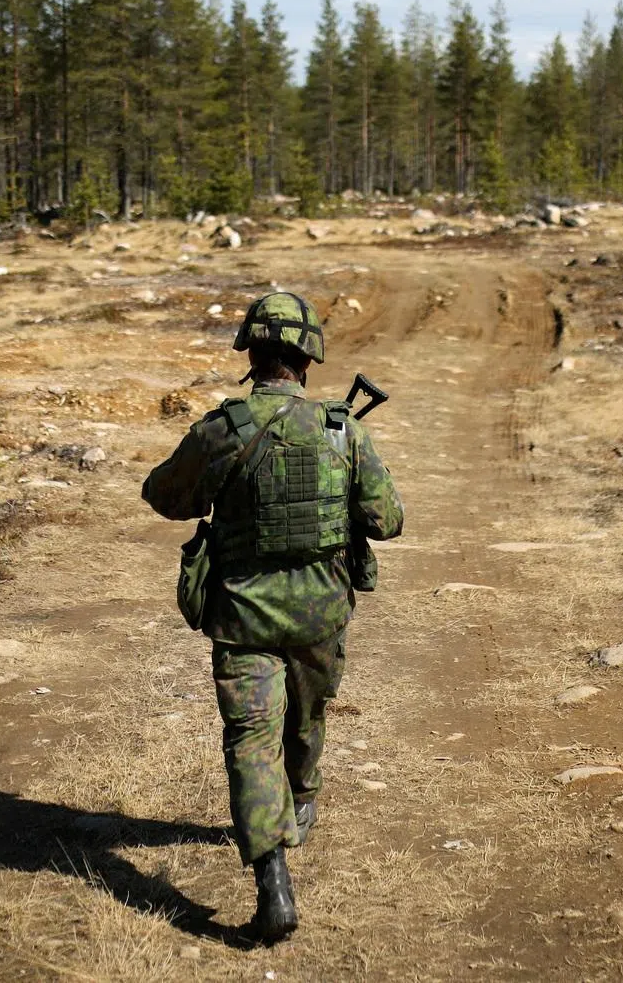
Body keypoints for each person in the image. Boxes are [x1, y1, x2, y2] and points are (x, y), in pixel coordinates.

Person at [141, 292, 404, 941]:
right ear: (309, 358)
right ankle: (304, 798)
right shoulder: (344, 430)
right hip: (320, 618)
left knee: (252, 743)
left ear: (250, 354)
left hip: (243, 621)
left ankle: (274, 883)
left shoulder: (222, 431)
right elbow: (387, 521)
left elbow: (164, 495)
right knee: (307, 724)